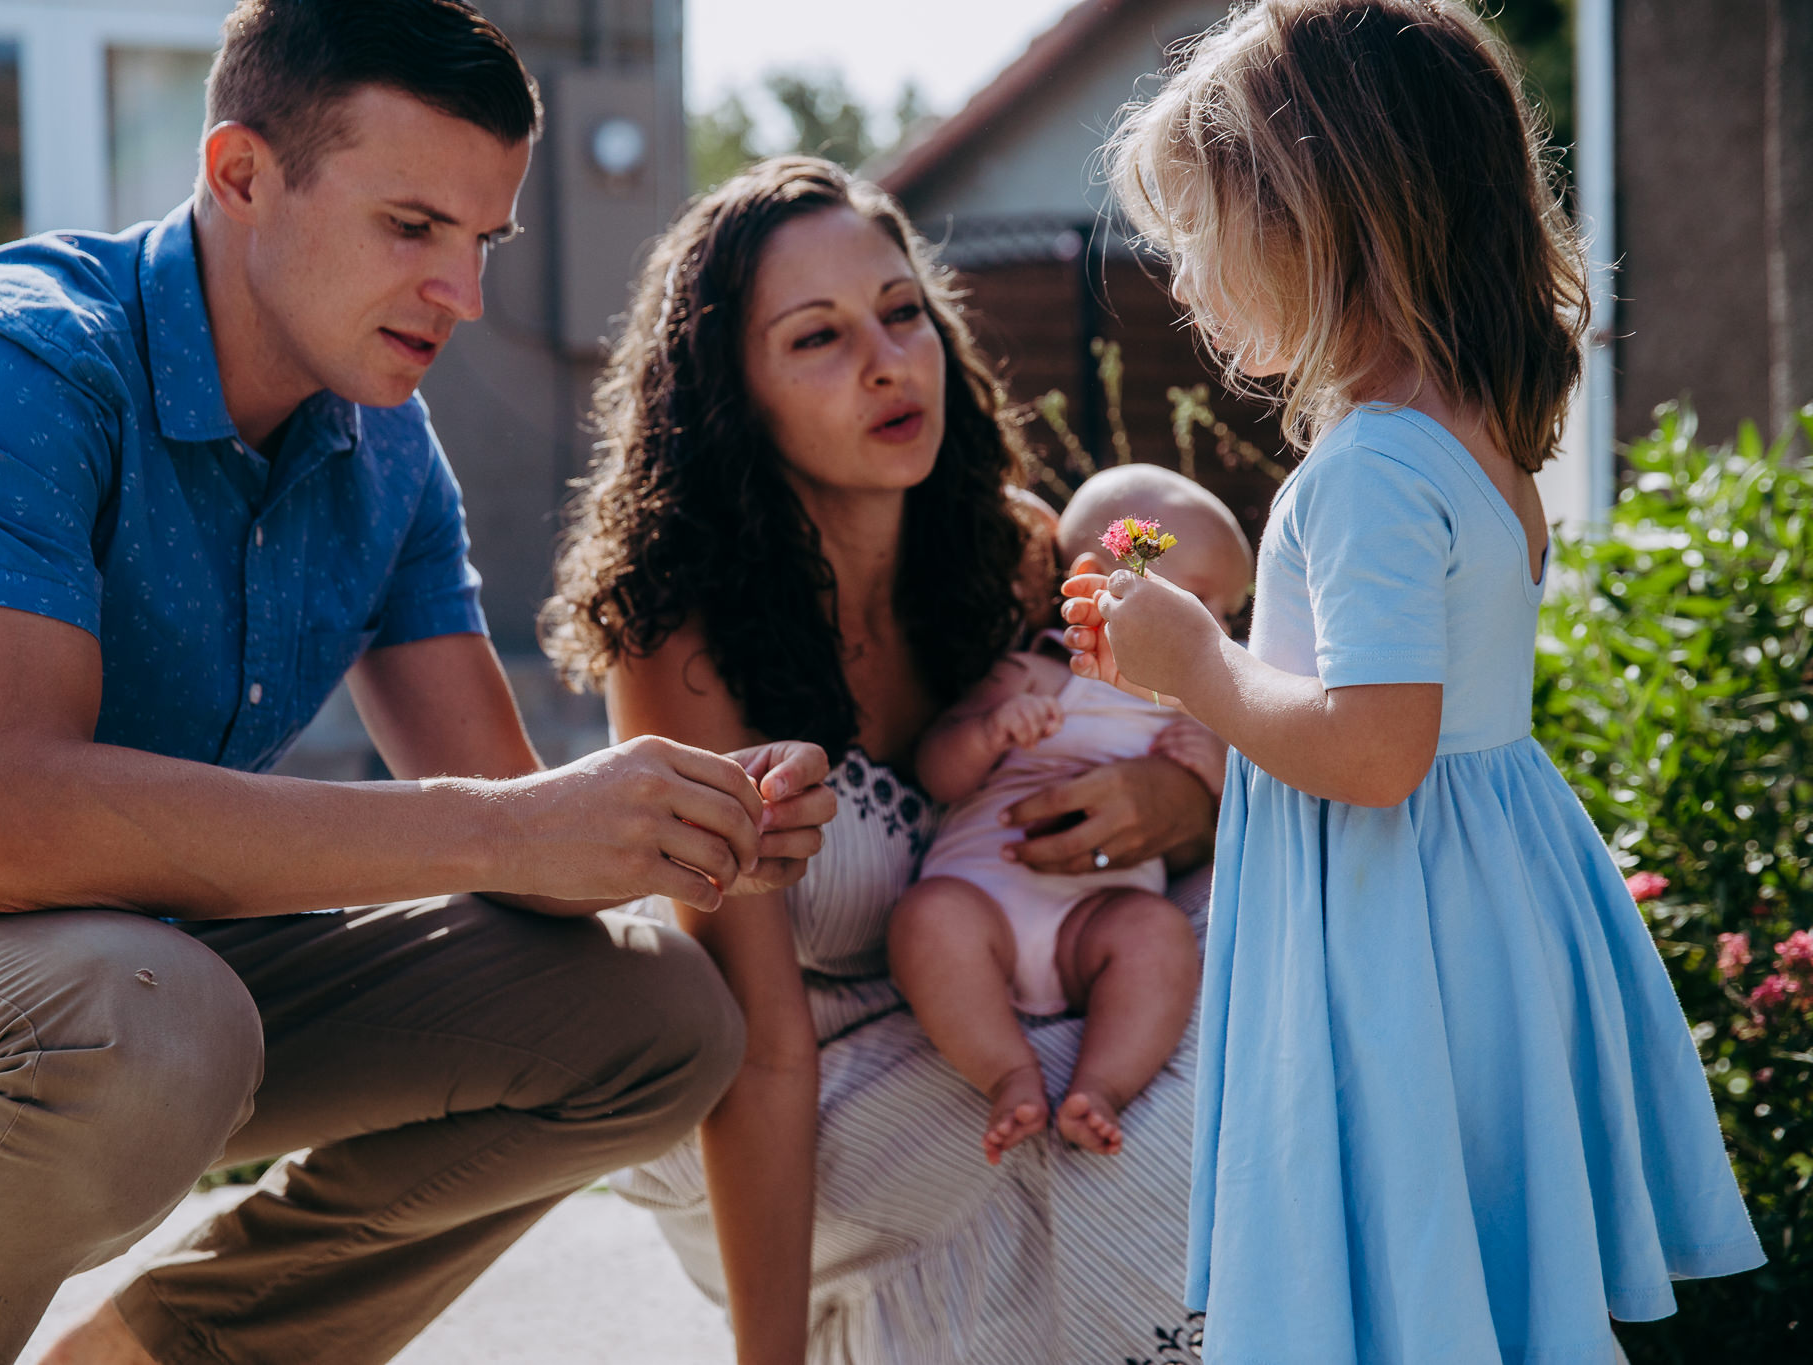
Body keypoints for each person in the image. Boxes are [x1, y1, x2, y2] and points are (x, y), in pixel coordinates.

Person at [0, 4, 836, 1363]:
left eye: (482, 239)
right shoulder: (7, 359)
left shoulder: (381, 445)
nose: (465, 295)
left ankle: (151, 1355)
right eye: (411, 228)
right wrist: (511, 828)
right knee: (149, 1021)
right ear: (238, 175)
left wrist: (680, 825)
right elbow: (15, 825)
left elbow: (516, 825)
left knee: (659, 1016)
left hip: (122, 969)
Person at [1063, 2, 1765, 1359]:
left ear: (1326, 220)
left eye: (1206, 232)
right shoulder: (1479, 438)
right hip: (1483, 900)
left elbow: (1376, 750)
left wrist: (1194, 659)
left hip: (1401, 933)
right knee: (1480, 1282)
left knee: (1410, 1281)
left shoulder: (1373, 469)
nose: (1189, 279)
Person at [542, 156, 1220, 1365]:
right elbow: (757, 1042)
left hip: (1006, 994)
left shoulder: (1008, 551)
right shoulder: (682, 646)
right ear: (730, 393)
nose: (885, 361)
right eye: (816, 338)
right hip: (796, 1078)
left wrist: (1171, 804)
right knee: (1142, 1123)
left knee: (1272, 963)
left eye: (901, 313)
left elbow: (1154, 722)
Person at [890, 465, 1250, 1165]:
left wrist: (1217, 771)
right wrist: (989, 732)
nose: (1219, 633)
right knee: (925, 919)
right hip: (983, 900)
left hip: (1097, 918)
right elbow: (934, 770)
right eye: (1200, 603)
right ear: (1096, 580)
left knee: (1158, 935)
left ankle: (1102, 1086)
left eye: (1230, 616)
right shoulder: (1031, 674)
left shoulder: (1201, 709)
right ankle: (1007, 1072)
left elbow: (1244, 812)